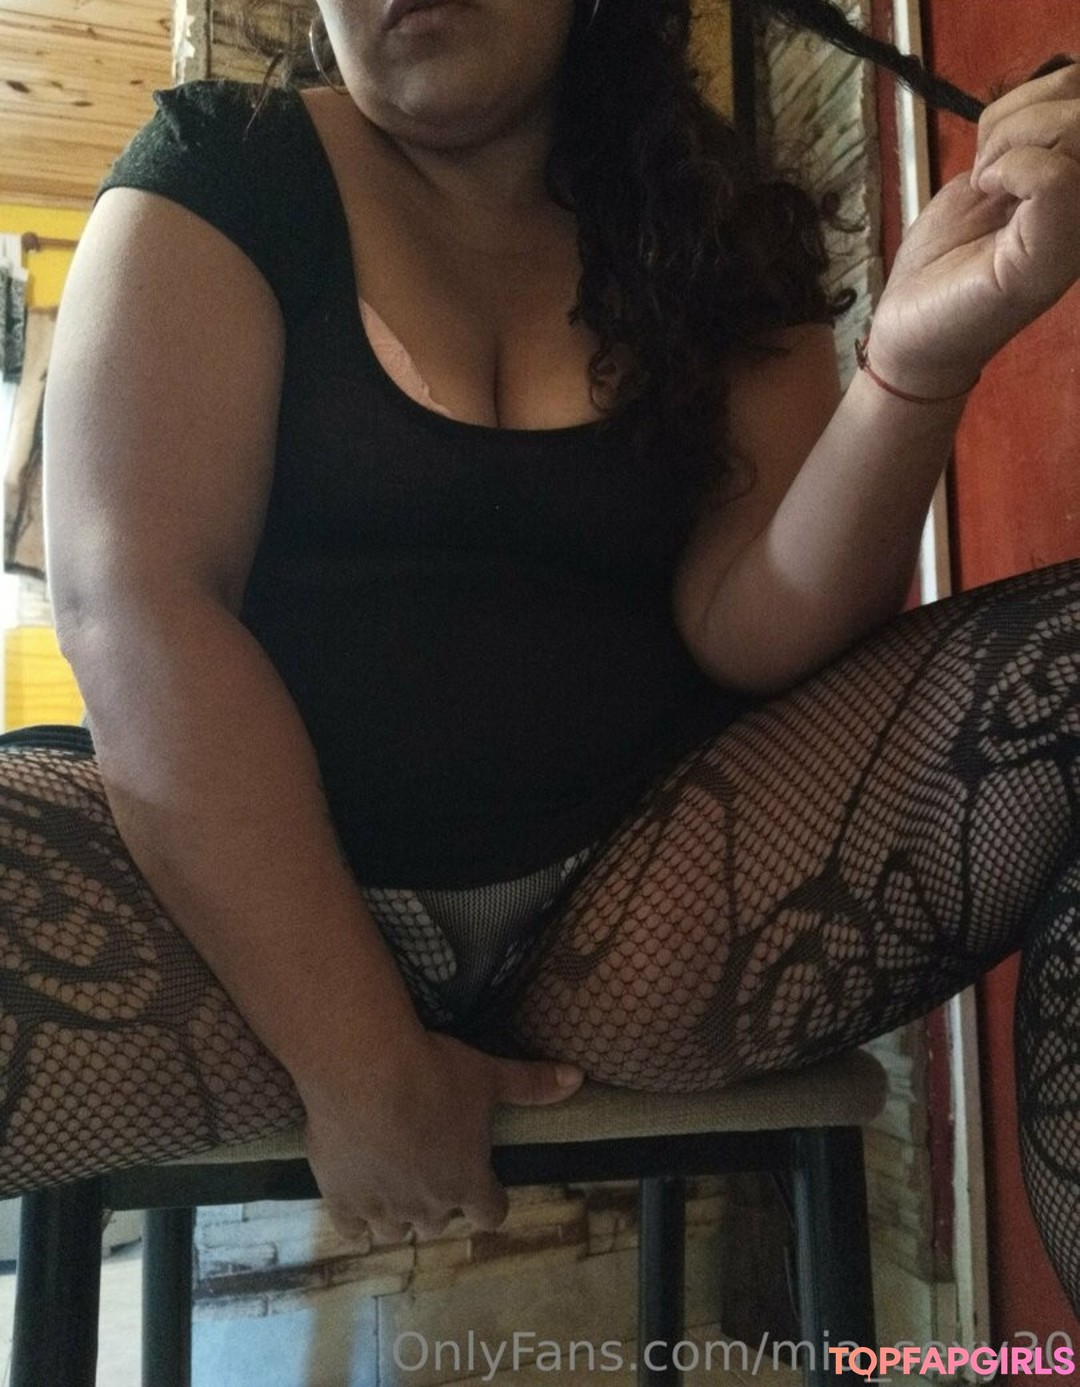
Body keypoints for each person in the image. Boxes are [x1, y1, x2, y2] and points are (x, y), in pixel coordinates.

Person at [0, 0, 1076, 1312]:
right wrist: (357, 1060)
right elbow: (137, 603)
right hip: (221, 924)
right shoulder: (220, 166)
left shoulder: (719, 228)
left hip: (643, 901)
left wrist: (912, 368)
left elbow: (747, 630)